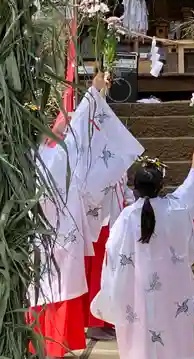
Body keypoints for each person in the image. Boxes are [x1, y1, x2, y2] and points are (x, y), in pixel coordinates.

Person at [27, 72, 145, 358]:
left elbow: (77, 129)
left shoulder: (33, 157)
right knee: (56, 288)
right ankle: (51, 345)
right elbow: (78, 128)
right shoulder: (57, 157)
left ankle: (40, 344)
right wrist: (92, 93)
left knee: (43, 289)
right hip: (58, 233)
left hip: (42, 234)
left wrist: (93, 96)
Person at [91, 147, 194, 359]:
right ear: (161, 186)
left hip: (138, 289)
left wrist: (114, 285)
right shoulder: (176, 208)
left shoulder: (127, 216)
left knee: (140, 333)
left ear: (135, 188)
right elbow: (190, 190)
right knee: (175, 333)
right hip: (174, 287)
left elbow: (112, 252)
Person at [84, 173, 134, 341]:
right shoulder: (99, 163)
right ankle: (95, 323)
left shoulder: (119, 162)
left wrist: (131, 203)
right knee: (99, 273)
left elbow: (124, 189)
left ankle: (106, 320)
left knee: (111, 273)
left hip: (117, 221)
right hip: (101, 223)